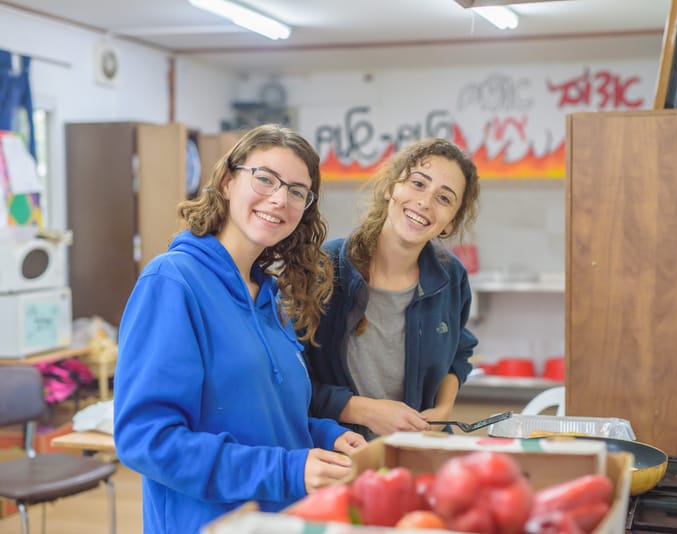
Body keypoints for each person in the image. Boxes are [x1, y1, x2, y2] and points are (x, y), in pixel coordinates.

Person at [113, 124, 367, 533]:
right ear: (228, 182)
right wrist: (287, 469)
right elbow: (148, 441)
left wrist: (325, 435)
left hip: (281, 521)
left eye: (297, 191)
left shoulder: (270, 298)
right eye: (265, 178)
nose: (280, 198)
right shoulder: (173, 282)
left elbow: (267, 416)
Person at [304, 137, 480, 440]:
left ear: (450, 222)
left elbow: (459, 353)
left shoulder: (450, 277)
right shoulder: (325, 267)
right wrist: (362, 410)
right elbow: (289, 378)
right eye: (418, 183)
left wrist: (443, 407)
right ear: (390, 188)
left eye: (444, 198)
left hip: (416, 452)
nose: (425, 202)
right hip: (336, 455)